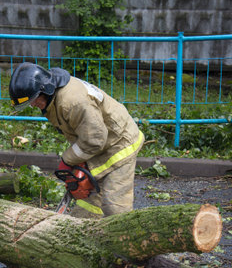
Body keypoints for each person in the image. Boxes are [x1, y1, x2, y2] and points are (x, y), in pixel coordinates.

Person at [9, 62, 144, 218]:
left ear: (45, 89)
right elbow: (84, 134)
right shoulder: (54, 98)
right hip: (99, 143)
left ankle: (124, 237)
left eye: (33, 100)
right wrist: (78, 163)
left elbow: (95, 139)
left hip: (120, 143)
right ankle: (85, 231)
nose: (33, 105)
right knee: (88, 200)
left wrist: (67, 161)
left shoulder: (72, 102)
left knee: (115, 205)